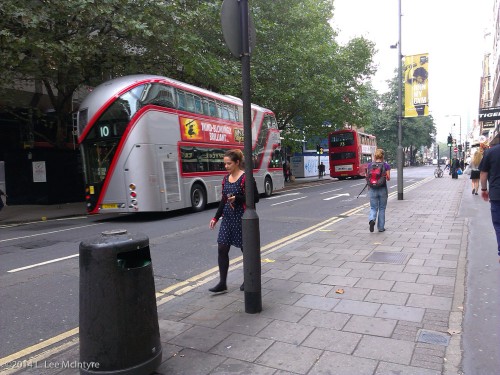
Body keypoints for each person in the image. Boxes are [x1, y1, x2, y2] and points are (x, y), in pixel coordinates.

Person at [208, 149, 247, 293]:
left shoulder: (245, 178)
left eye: (228, 163)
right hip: (228, 218)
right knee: (222, 248)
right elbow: (223, 201)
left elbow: (254, 198)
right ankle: (222, 283)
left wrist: (237, 198)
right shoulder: (225, 179)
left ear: (237, 163)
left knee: (246, 250)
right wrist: (216, 217)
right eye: (224, 164)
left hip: (242, 218)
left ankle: (249, 279)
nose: (226, 166)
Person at [479, 133, 500, 261]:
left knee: (498, 224)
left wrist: (484, 189)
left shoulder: (490, 152)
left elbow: (483, 173)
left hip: (497, 193)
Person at [368, 149, 391, 233]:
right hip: (382, 189)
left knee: (373, 207)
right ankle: (381, 228)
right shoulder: (386, 165)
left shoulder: (370, 165)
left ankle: (372, 219)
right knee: (382, 208)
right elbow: (388, 178)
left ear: (375, 156)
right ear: (382, 156)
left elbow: (368, 177)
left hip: (372, 189)